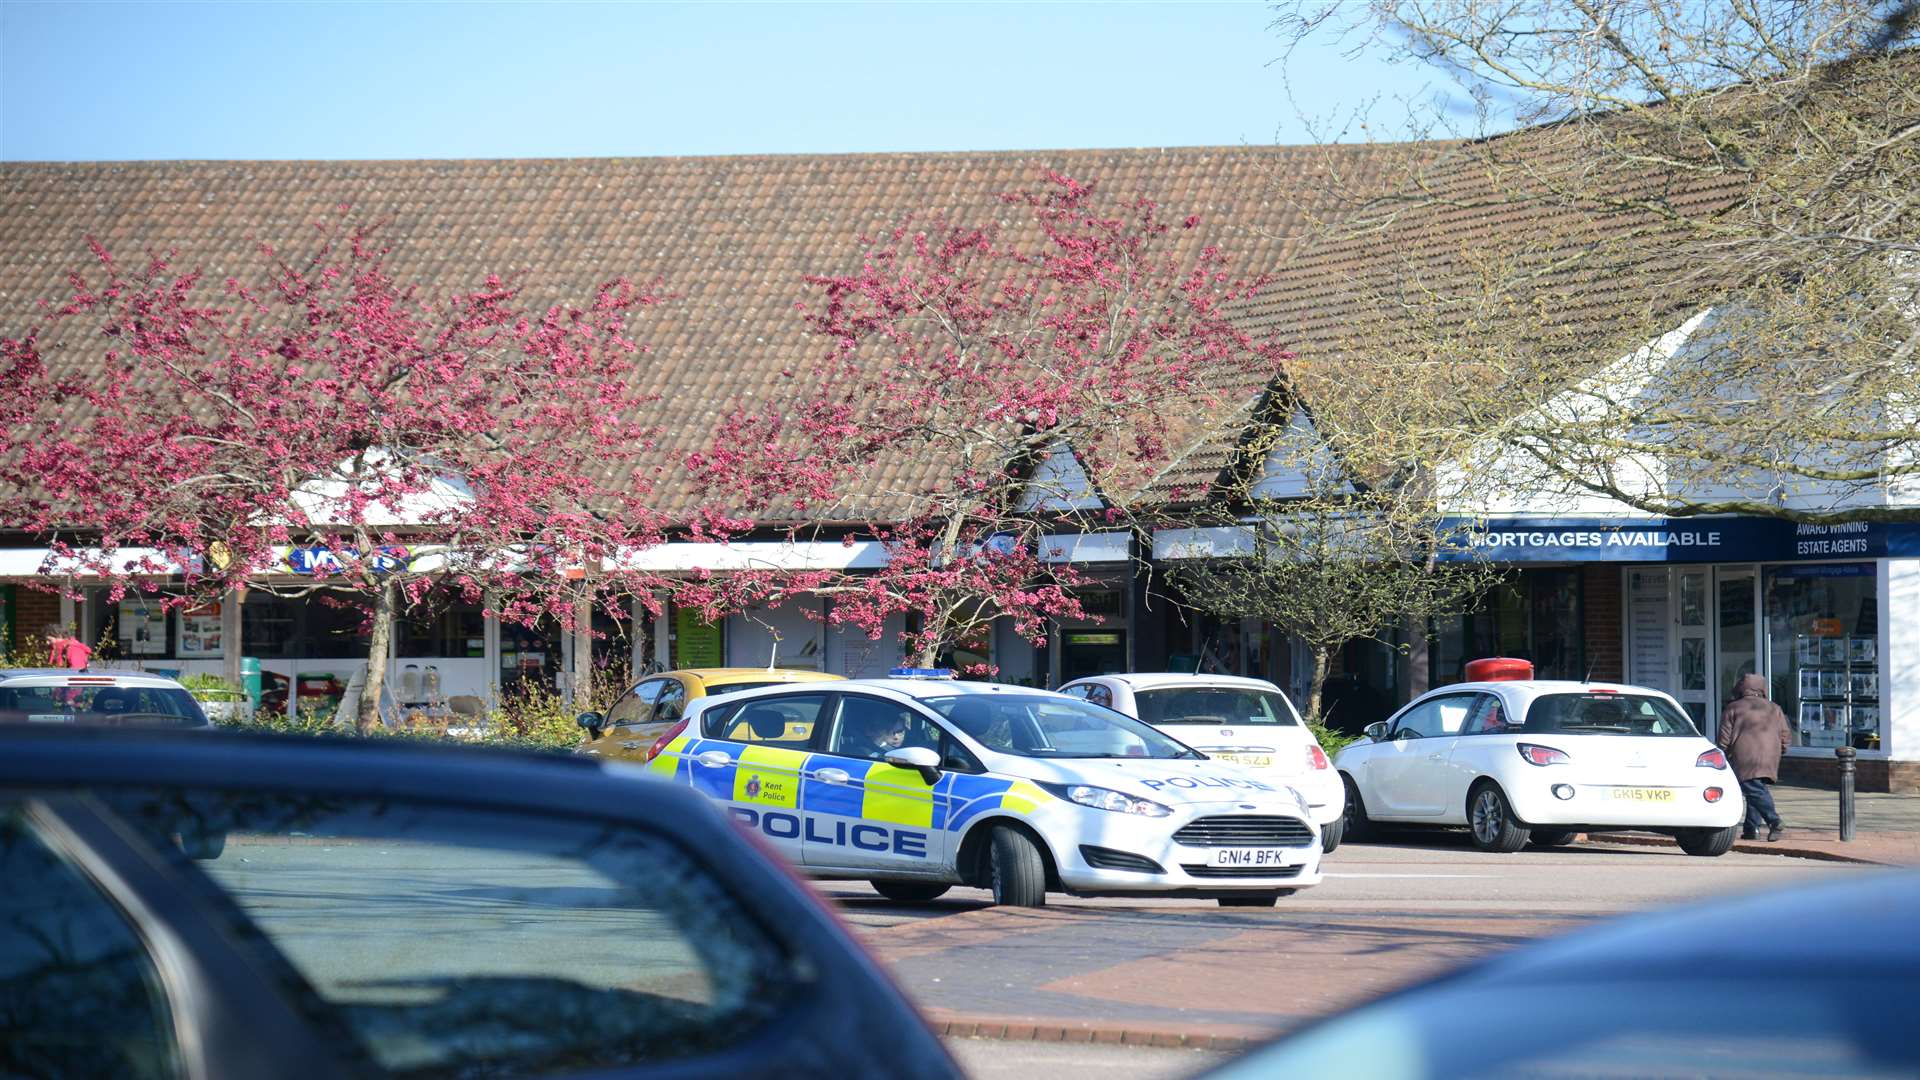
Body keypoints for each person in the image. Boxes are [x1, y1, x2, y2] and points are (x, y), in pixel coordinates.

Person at [1718, 673, 1790, 842]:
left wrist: (1721, 752)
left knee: (1754, 789)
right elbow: (1785, 733)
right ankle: (1751, 829)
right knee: (1756, 789)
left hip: (1746, 756)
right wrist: (1783, 749)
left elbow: (1724, 737)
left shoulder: (1734, 707)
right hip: (1771, 755)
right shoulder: (1774, 708)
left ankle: (1774, 820)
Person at [841, 710, 908, 760]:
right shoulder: (858, 754)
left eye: (900, 731)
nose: (896, 736)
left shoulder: (889, 750)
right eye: (889, 731)